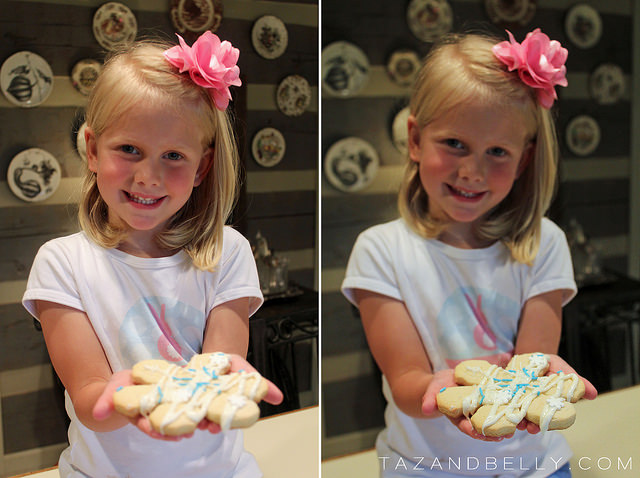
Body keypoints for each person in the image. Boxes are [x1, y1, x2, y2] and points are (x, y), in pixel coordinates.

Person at [23, 32, 282, 477]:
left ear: (202, 167)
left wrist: (226, 381)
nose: (148, 176)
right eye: (129, 150)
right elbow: (89, 398)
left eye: (173, 156)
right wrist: (121, 395)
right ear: (91, 149)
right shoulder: (61, 264)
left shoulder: (228, 251)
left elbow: (220, 367)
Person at [341, 29, 597, 477]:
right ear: (416, 139)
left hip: (534, 464)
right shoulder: (380, 252)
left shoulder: (546, 243)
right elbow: (406, 385)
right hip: (424, 467)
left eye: (497, 151)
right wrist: (437, 389)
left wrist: (543, 380)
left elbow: (532, 368)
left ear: (523, 160)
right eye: (454, 143)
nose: (472, 171)